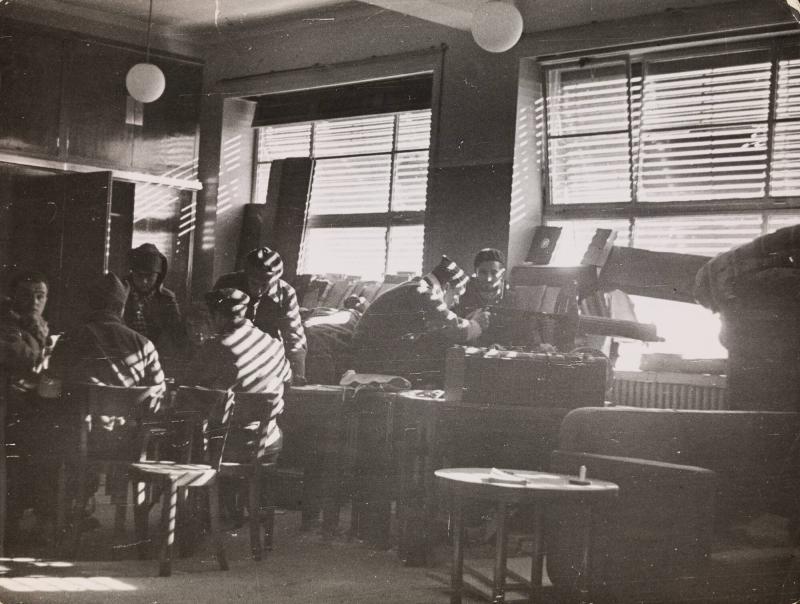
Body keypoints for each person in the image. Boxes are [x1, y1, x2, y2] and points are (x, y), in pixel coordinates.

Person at [183, 288, 291, 526]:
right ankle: (227, 507)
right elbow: (286, 381)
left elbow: (186, 386)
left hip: (227, 445)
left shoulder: (217, 347)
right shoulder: (274, 344)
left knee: (184, 434)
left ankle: (195, 516)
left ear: (217, 317)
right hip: (266, 440)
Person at [351, 255, 489, 387]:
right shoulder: (422, 291)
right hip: (371, 358)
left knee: (438, 341)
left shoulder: (416, 287)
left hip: (370, 353)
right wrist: (476, 323)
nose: (456, 301)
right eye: (457, 294)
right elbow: (454, 328)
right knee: (446, 350)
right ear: (446, 287)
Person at [51, 272, 165, 392]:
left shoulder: (70, 339)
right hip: (125, 410)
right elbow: (158, 397)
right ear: (121, 309)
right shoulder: (144, 345)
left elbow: (47, 391)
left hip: (80, 410)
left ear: (90, 305)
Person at [214, 247, 307, 384]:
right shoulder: (227, 283)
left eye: (265, 285)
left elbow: (293, 335)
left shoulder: (286, 293)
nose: (257, 290)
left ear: (275, 279)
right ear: (246, 275)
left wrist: (297, 374)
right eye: (253, 283)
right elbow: (209, 320)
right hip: (229, 351)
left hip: (266, 354)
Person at [123, 243, 185, 366]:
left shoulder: (167, 299)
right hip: (125, 357)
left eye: (150, 276)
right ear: (132, 273)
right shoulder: (121, 294)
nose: (144, 281)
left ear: (159, 276)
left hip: (157, 359)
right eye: (139, 275)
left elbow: (176, 335)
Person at [0, 271, 54, 390]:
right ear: (13, 297)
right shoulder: (6, 323)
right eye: (26, 295)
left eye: (40, 296)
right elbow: (24, 360)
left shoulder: (39, 327)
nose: (34, 302)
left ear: (46, 299)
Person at [456, 248, 509, 318]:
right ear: (475, 272)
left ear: (502, 274)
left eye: (494, 273)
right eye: (483, 272)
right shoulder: (462, 293)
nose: (488, 279)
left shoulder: (511, 295)